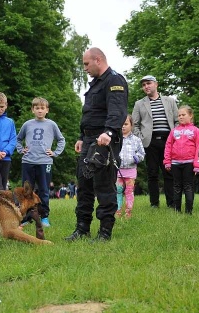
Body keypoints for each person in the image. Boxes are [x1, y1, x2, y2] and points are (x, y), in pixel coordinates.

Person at [65, 47, 128, 242]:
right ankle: (82, 228)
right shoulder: (95, 84)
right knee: (83, 184)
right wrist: (81, 136)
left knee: (104, 186)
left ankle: (105, 232)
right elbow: (90, 113)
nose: (84, 68)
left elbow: (117, 110)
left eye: (86, 63)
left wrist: (108, 132)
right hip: (89, 140)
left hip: (104, 141)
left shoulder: (114, 80)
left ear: (98, 60)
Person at [15, 97, 66, 227]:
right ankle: (26, 217)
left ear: (47, 110)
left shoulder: (51, 124)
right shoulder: (27, 124)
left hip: (45, 162)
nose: (39, 111)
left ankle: (44, 216)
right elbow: (18, 139)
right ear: (33, 110)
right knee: (27, 191)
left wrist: (55, 153)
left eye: (42, 108)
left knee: (43, 190)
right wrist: (21, 150)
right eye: (37, 108)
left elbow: (61, 140)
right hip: (28, 161)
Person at [132, 75, 178, 208]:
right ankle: (154, 203)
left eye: (148, 83)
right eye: (144, 85)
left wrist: (175, 137)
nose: (146, 86)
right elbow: (134, 124)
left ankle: (171, 203)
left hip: (168, 141)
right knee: (152, 174)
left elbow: (176, 120)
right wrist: (141, 139)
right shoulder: (139, 104)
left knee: (169, 173)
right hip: (150, 143)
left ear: (156, 84)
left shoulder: (170, 101)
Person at [164, 105, 199, 214]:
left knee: (188, 186)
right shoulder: (174, 131)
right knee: (176, 186)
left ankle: (188, 211)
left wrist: (197, 165)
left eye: (183, 115)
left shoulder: (196, 131)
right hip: (175, 163)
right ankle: (177, 210)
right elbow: (168, 146)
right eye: (179, 115)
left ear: (190, 116)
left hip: (189, 163)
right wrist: (167, 161)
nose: (180, 117)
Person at [117, 114, 145, 218]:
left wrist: (136, 158)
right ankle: (118, 211)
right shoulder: (116, 139)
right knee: (118, 191)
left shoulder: (136, 140)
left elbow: (142, 153)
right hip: (117, 170)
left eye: (125, 124)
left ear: (131, 125)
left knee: (129, 191)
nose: (123, 126)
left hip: (131, 171)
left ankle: (128, 212)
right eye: (121, 124)